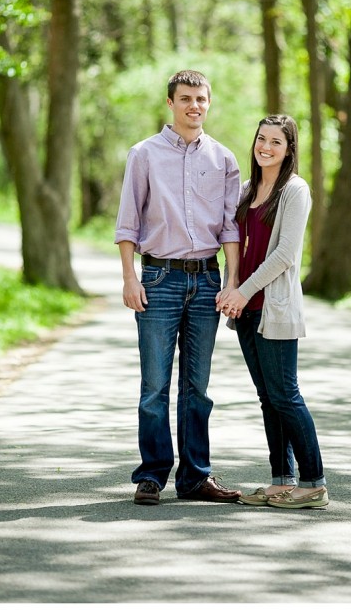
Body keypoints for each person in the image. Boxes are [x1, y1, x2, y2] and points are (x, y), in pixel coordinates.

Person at [114, 70, 243, 506]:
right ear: (170, 102)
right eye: (186, 98)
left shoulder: (224, 159)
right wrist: (130, 277)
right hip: (158, 279)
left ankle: (195, 478)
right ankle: (151, 474)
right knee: (154, 386)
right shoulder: (144, 154)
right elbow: (128, 221)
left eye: (201, 99)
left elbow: (230, 228)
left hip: (207, 280)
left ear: (209, 102)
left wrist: (232, 282)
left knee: (198, 387)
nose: (194, 106)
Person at [215, 115, 328, 509]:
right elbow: (235, 245)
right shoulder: (247, 190)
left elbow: (284, 254)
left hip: (273, 307)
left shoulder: (295, 191)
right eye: (261, 139)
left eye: (275, 142)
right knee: (268, 397)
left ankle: (313, 482)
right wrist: (231, 288)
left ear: (289, 148)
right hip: (246, 309)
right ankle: (283, 480)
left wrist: (242, 292)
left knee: (286, 395)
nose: (265, 147)